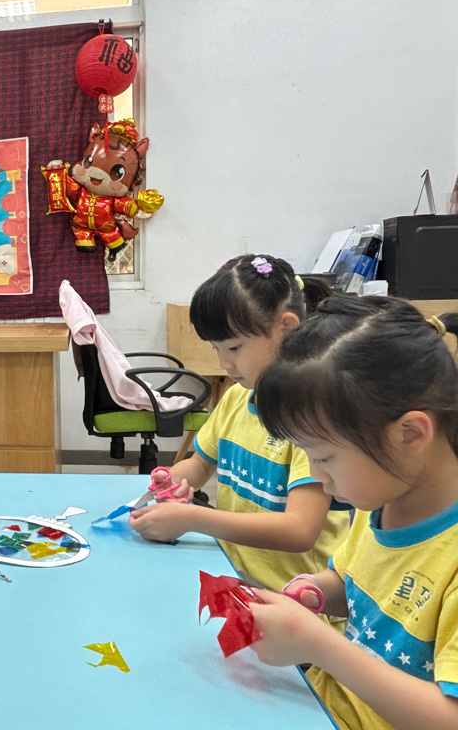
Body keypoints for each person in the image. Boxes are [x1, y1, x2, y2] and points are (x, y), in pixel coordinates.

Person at [247, 296, 458, 730]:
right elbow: (356, 583)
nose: (316, 475)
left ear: (409, 434)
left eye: (324, 457)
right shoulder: (380, 497)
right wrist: (316, 590)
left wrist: (319, 645)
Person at [128, 254, 349, 592]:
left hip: (295, 598)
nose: (224, 363)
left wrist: (192, 518)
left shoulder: (310, 419)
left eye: (234, 347)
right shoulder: (235, 398)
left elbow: (300, 531)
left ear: (287, 329)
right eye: (216, 348)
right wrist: (171, 481)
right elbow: (200, 465)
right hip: (235, 581)